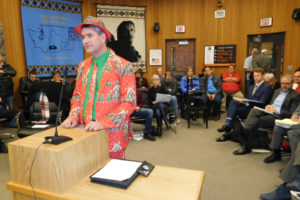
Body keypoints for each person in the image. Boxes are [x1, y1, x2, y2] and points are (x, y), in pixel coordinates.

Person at [61, 16, 136, 159]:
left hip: (112, 134)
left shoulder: (123, 66)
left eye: (90, 35)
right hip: (85, 132)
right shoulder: (82, 66)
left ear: (103, 37)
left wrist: (103, 123)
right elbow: (77, 96)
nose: (85, 41)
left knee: (112, 176)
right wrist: (73, 116)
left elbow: (129, 103)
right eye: (83, 37)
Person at [233, 74, 299, 155]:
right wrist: (268, 106)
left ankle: (246, 143)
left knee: (257, 120)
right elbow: (271, 103)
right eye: (282, 83)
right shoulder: (277, 91)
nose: (284, 86)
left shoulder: (295, 95)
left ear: (292, 83)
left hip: (279, 116)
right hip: (269, 111)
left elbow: (291, 113)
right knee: (254, 110)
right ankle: (247, 133)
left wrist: (276, 110)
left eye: (287, 84)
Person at [216, 68, 272, 142]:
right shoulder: (251, 87)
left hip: (256, 109)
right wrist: (243, 101)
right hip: (248, 107)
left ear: (263, 76)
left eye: (258, 76)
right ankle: (229, 127)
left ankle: (227, 129)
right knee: (233, 102)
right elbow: (248, 98)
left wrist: (246, 102)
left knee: (233, 111)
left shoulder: (266, 87)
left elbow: (262, 102)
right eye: (254, 76)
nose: (255, 78)